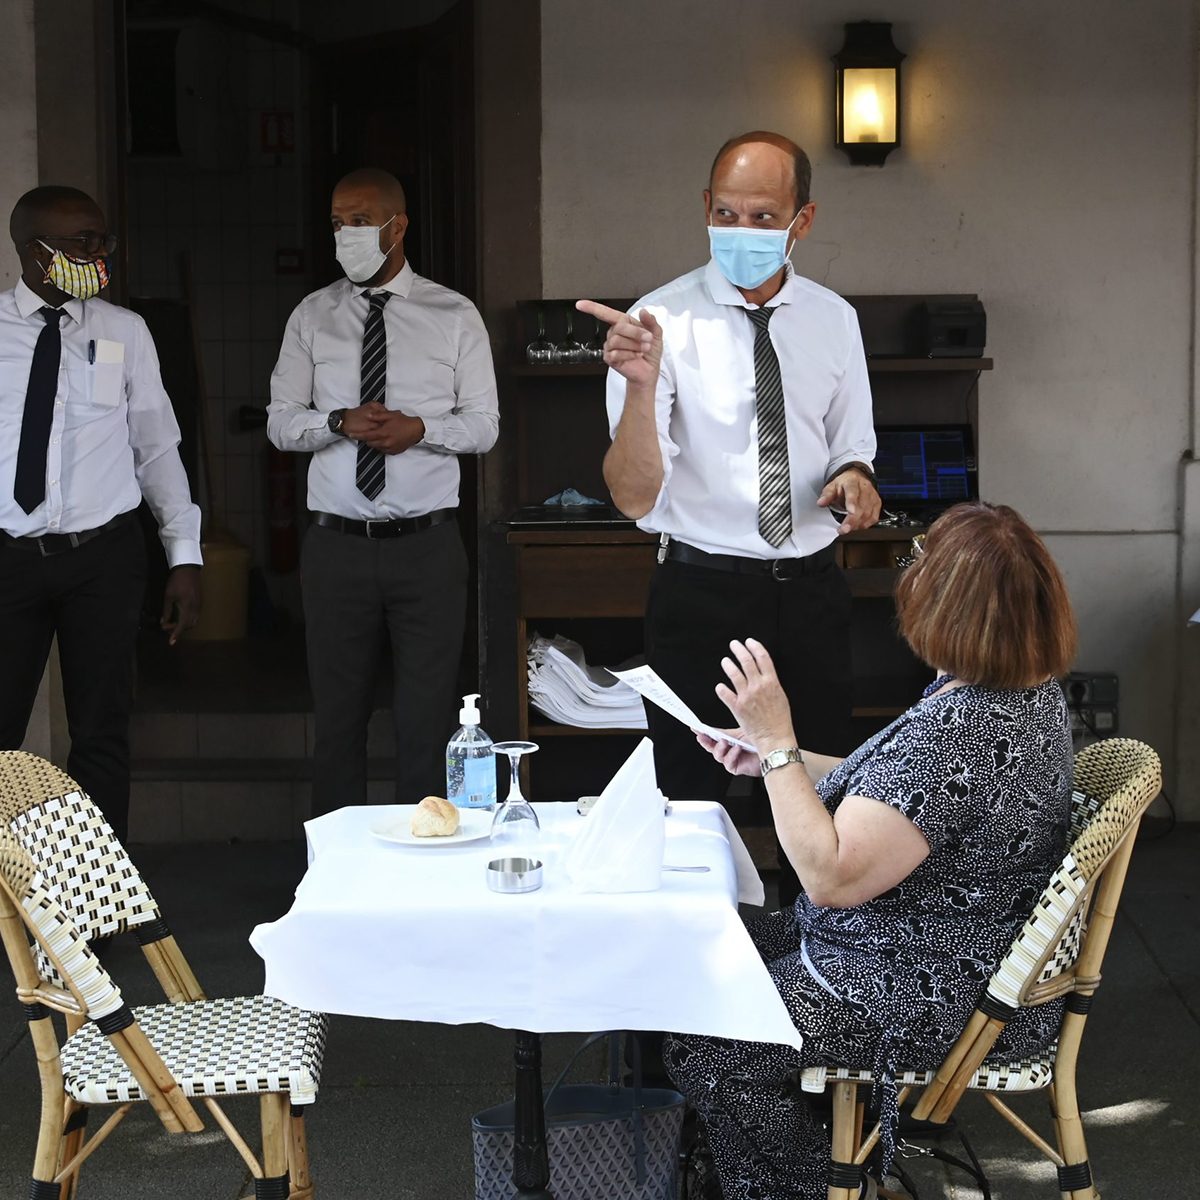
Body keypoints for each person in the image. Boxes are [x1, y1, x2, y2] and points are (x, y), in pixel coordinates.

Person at [661, 502, 1078, 1200]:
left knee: (709, 1040)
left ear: (944, 610)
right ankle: (804, 1160)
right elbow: (901, 799)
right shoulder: (1023, 696)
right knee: (699, 947)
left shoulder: (960, 726)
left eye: (918, 570)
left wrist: (775, 743)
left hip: (923, 987)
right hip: (947, 961)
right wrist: (777, 763)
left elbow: (828, 876)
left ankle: (802, 1186)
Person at [579, 130, 880, 907]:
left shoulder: (834, 319)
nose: (740, 232)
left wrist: (854, 478)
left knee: (825, 792)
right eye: (725, 213)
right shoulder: (657, 322)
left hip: (810, 590)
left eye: (761, 216)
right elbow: (633, 498)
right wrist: (641, 387)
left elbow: (853, 450)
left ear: (801, 220)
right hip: (702, 595)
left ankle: (822, 982)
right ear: (703, 210)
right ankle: (689, 999)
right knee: (688, 802)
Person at [267, 168, 498, 815]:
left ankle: (419, 874)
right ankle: (336, 883)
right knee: (338, 721)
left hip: (426, 547)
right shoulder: (313, 315)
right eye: (338, 221)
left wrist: (421, 429)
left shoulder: (454, 315)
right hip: (336, 546)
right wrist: (335, 422)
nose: (347, 233)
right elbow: (280, 421)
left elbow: (484, 425)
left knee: (426, 720)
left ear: (398, 227)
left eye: (361, 220)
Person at [0, 186, 202, 843]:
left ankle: (93, 904)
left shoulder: (124, 331)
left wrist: (185, 555)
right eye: (82, 243)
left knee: (102, 732)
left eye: (102, 240)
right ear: (36, 251)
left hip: (104, 559)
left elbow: (156, 446)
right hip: (9, 560)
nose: (98, 253)